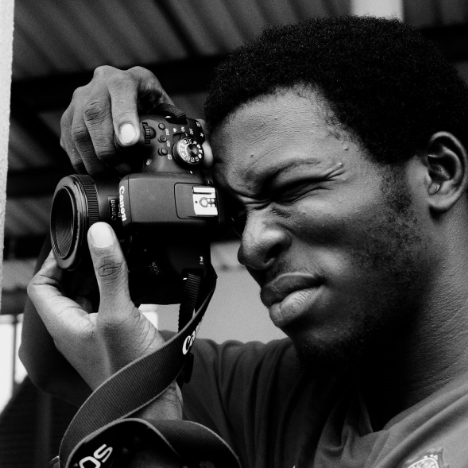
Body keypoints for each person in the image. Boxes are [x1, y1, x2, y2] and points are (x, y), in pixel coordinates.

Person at [21, 15, 468, 467]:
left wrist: (148, 421)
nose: (250, 246)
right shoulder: (281, 392)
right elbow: (61, 356)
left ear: (439, 173)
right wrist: (101, 173)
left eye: (291, 189)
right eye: (237, 216)